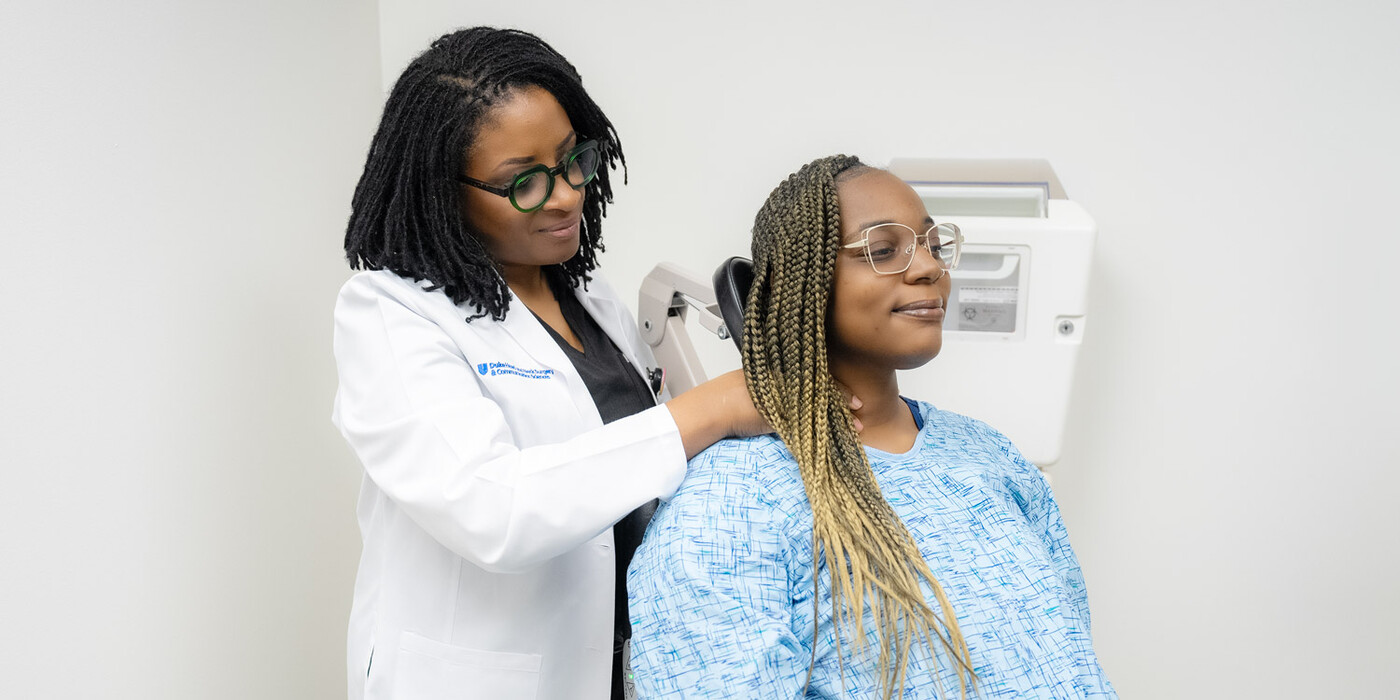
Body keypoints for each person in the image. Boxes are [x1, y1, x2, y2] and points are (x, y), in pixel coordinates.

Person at [331, 27, 770, 700]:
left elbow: (630, 478)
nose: (565, 195)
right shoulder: (389, 315)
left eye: (573, 161)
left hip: (618, 666)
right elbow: (493, 510)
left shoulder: (592, 302)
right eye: (523, 182)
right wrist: (707, 412)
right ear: (443, 192)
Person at [627, 155, 1116, 699]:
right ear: (802, 281)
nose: (929, 267)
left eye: (933, 244)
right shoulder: (733, 498)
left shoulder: (987, 453)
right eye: (883, 250)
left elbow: (1074, 652)